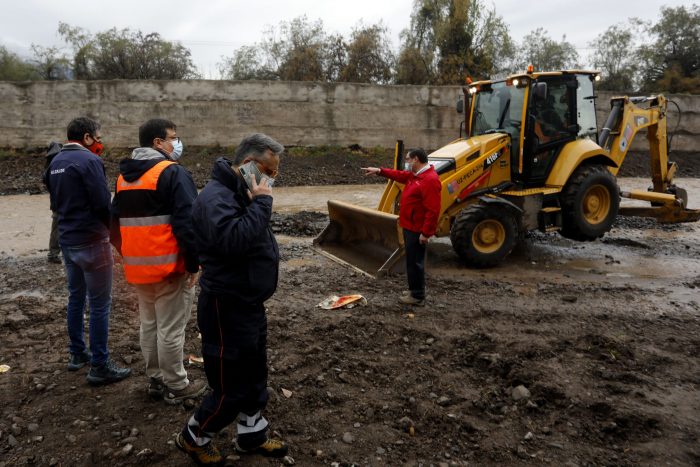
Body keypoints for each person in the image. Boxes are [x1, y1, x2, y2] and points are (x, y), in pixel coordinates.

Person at [176, 133, 288, 465]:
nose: (272, 179)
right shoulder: (216, 197)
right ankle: (194, 437)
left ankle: (252, 434)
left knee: (254, 375)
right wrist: (264, 203)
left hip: (248, 303)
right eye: (269, 170)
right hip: (226, 307)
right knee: (231, 386)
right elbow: (234, 240)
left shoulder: (241, 190)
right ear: (250, 165)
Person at [111, 118, 206, 404]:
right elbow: (187, 224)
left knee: (149, 325)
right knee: (170, 329)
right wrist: (193, 264)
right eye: (173, 138)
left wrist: (129, 256)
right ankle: (176, 384)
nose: (176, 143)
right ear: (157, 143)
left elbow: (114, 226)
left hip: (138, 268)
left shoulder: (122, 178)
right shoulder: (173, 173)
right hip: (169, 268)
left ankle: (155, 379)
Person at [46, 117, 131, 385]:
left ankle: (77, 354)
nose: (100, 140)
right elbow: (102, 203)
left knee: (75, 298)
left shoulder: (55, 161)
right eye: (98, 135)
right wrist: (116, 236)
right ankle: (100, 364)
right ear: (86, 137)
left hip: (68, 243)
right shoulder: (90, 162)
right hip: (92, 242)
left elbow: (55, 201)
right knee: (99, 305)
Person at [361, 148, 441, 306]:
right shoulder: (415, 175)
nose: (407, 162)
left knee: (415, 262)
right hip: (409, 226)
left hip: (417, 229)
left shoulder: (430, 180)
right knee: (411, 260)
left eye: (408, 159)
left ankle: (417, 296)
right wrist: (379, 171)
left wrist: (426, 233)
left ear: (416, 159)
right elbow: (398, 175)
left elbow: (433, 210)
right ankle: (413, 289)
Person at [44, 141, 63, 264]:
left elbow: (45, 180)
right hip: (63, 202)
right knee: (59, 228)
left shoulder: (49, 164)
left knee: (56, 227)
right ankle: (53, 254)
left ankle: (54, 253)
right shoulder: (62, 161)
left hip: (56, 202)